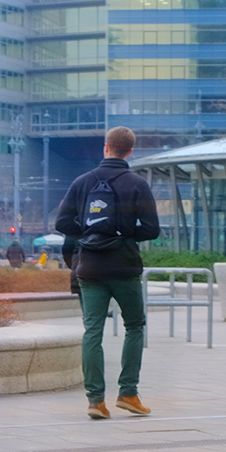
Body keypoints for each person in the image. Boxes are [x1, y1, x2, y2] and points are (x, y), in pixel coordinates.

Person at [55, 126, 160, 419]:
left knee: (93, 331)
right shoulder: (137, 184)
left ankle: (95, 401)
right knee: (135, 326)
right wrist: (123, 235)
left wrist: (90, 235)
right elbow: (152, 229)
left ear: (106, 148)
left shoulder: (82, 182)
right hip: (125, 266)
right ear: (129, 151)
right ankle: (128, 393)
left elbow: (62, 224)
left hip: (89, 267)